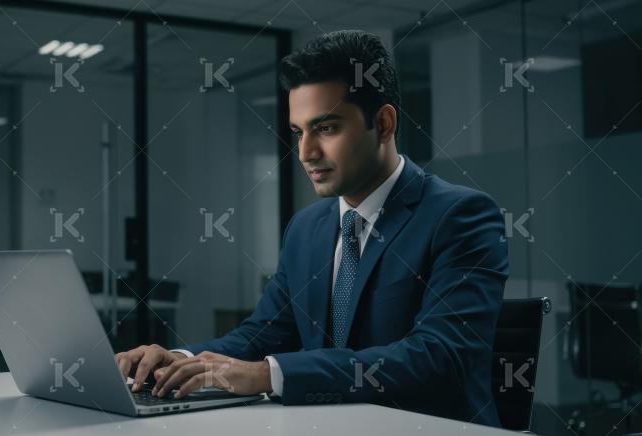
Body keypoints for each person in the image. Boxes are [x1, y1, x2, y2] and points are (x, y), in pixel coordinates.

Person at [115, 29, 508, 427]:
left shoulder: (461, 216)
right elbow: (264, 334)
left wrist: (267, 374)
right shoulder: (306, 228)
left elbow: (439, 356)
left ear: (384, 124)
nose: (306, 153)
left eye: (327, 128)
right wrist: (178, 360)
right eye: (299, 132)